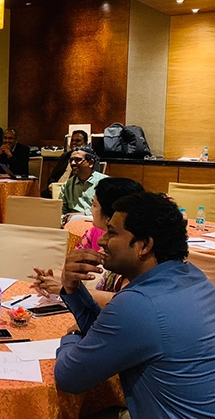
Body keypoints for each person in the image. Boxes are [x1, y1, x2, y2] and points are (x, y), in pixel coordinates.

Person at [55, 192, 215, 418]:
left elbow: (69, 378)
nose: (101, 240)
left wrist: (71, 336)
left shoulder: (139, 304)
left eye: (112, 233)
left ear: (145, 245)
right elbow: (114, 336)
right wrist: (73, 289)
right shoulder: (194, 278)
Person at [30, 177, 144, 307]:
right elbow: (73, 269)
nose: (90, 210)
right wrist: (48, 279)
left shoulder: (130, 249)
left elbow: (126, 301)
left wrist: (67, 290)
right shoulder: (93, 233)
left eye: (94, 205)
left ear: (110, 214)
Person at [60, 145, 108, 224]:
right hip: (73, 224)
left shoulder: (105, 183)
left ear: (91, 163)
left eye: (78, 160)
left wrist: (85, 214)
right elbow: (61, 212)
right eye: (71, 160)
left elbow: (108, 211)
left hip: (97, 223)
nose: (73, 163)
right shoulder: (67, 185)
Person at [41, 130, 88, 198]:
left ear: (85, 143)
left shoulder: (88, 159)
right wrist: (51, 185)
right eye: (72, 140)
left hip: (73, 192)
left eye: (78, 141)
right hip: (56, 189)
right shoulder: (65, 156)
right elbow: (53, 176)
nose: (74, 143)